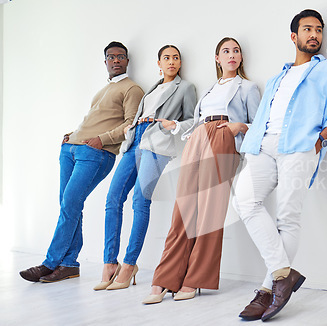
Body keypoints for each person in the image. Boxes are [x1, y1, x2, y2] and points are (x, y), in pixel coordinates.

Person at [233, 9, 327, 321]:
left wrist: (322, 137)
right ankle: (283, 276)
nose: (315, 35)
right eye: (308, 29)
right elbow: (264, 114)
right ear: (294, 36)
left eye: (319, 30)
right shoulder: (277, 77)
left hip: (300, 146)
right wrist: (250, 134)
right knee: (244, 200)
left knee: (287, 216)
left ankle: (266, 290)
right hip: (262, 147)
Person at [142, 37, 260, 304]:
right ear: (217, 58)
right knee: (182, 211)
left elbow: (257, 124)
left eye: (236, 51)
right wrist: (177, 126)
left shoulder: (248, 88)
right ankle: (165, 279)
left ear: (241, 58)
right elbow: (196, 121)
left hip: (223, 138)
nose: (232, 55)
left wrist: (238, 127)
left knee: (209, 212)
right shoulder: (209, 89)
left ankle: (194, 280)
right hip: (197, 140)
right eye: (225, 51)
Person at [19, 41, 144, 283]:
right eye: (111, 57)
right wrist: (73, 134)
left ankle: (49, 263)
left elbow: (130, 125)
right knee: (69, 206)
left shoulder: (132, 89)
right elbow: (95, 118)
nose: (116, 60)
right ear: (105, 61)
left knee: (69, 204)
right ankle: (69, 265)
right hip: (72, 149)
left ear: (127, 61)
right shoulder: (103, 89)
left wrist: (101, 140)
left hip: (96, 153)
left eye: (121, 57)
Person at [93, 45, 197, 291]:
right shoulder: (152, 88)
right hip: (134, 141)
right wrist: (132, 130)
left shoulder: (185, 88)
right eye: (166, 58)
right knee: (113, 198)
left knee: (140, 201)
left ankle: (129, 265)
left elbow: (192, 120)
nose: (171, 62)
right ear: (158, 63)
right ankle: (110, 262)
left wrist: (172, 125)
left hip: (156, 144)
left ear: (180, 63)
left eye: (176, 58)